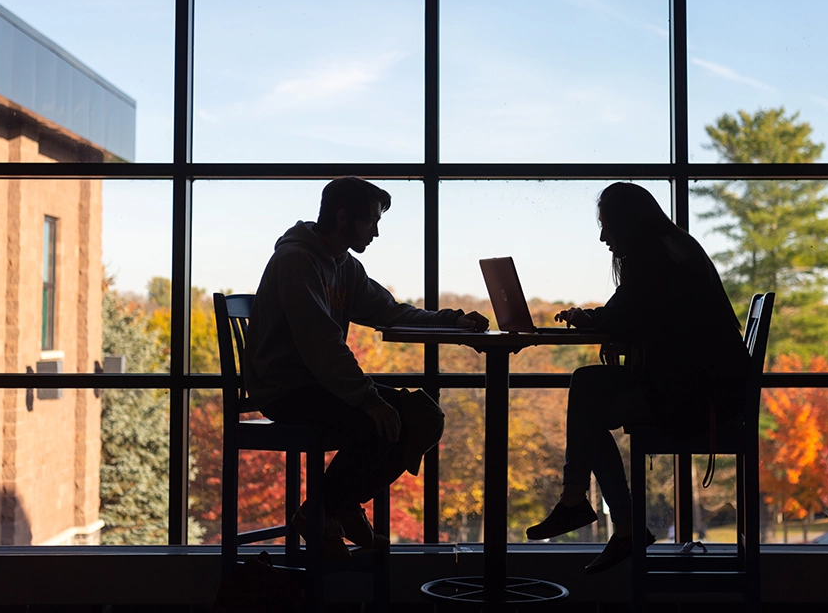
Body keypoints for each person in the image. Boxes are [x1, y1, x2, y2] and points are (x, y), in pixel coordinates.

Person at [245, 176, 489, 558]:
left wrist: (451, 321)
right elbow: (321, 344)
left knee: (425, 415)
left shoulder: (344, 266)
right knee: (378, 421)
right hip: (285, 391)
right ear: (343, 218)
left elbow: (390, 311)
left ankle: (335, 508)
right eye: (371, 221)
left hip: (320, 385)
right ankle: (325, 513)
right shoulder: (296, 261)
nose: (376, 232)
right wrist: (368, 399)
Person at [525, 182, 747, 574]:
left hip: (696, 400)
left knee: (587, 397)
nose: (602, 236)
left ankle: (597, 512)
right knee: (587, 389)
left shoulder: (651, 255)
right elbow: (642, 314)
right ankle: (594, 510)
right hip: (708, 390)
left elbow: (622, 315)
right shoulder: (671, 247)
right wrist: (604, 324)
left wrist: (587, 319)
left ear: (626, 223)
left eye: (606, 225)